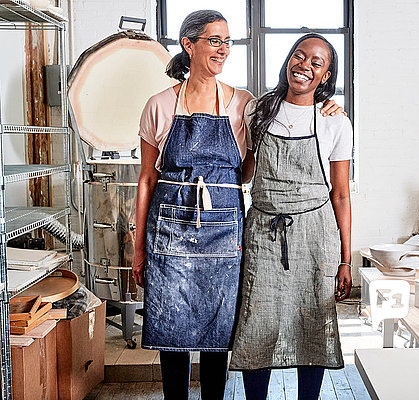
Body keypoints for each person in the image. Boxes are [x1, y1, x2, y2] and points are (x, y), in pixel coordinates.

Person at [132, 11, 344, 399]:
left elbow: (248, 169)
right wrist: (138, 247)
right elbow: (146, 178)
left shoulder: (243, 103)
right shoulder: (159, 105)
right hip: (169, 228)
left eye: (227, 41)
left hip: (224, 228)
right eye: (214, 40)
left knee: (221, 329)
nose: (223, 49)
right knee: (170, 328)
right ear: (189, 45)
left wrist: (329, 107)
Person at [230, 33, 353, 400]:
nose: (305, 66)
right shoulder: (258, 110)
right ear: (288, 59)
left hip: (316, 235)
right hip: (264, 231)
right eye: (300, 56)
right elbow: (246, 172)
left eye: (317, 63)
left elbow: (341, 194)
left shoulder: (334, 122)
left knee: (312, 324)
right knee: (258, 322)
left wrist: (346, 259)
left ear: (326, 76)